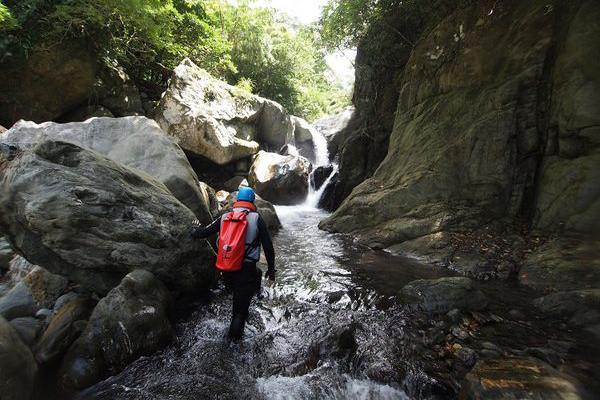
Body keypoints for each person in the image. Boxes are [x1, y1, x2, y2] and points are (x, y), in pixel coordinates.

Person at [190, 187, 275, 340]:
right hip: (245, 270)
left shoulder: (225, 217)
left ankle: (246, 295)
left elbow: (202, 233)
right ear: (252, 201)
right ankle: (232, 346)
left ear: (237, 201)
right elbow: (268, 248)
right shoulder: (256, 219)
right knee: (239, 312)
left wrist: (195, 229)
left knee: (256, 275)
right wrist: (272, 270)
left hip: (227, 268)